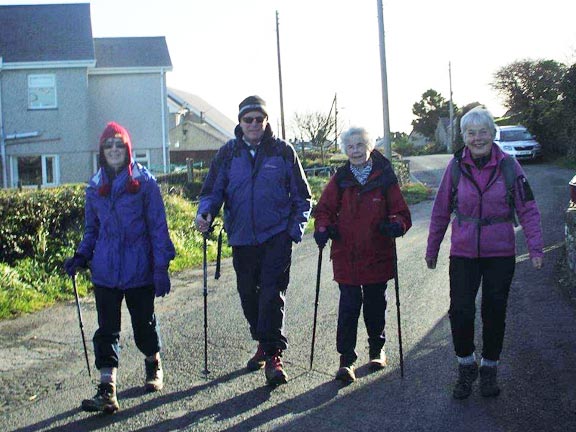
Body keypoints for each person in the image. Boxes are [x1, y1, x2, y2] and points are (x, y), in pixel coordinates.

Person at [426, 107, 543, 399]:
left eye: (483, 132)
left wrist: (535, 247)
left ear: (493, 133)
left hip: (500, 252)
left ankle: (489, 369)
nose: (477, 138)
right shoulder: (455, 167)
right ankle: (466, 366)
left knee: (494, 312)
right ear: (463, 136)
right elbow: (440, 211)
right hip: (464, 252)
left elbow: (527, 208)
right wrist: (432, 248)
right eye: (471, 133)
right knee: (460, 311)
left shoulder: (509, 166)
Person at [195, 96, 312, 386]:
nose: (254, 124)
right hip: (242, 237)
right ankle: (262, 340)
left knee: (272, 294)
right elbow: (212, 191)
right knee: (248, 294)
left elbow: (303, 196)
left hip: (276, 236)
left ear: (266, 121)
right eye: (249, 119)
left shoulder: (283, 152)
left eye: (259, 119)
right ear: (240, 122)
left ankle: (273, 356)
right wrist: (206, 214)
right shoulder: (227, 154)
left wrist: (293, 231)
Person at [64, 121, 176, 413]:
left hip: (139, 270)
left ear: (127, 149)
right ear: (102, 151)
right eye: (108, 144)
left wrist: (160, 267)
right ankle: (107, 389)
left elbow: (158, 229)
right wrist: (80, 255)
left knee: (143, 325)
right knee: (107, 330)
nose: (113, 149)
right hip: (105, 271)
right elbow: (92, 229)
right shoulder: (94, 185)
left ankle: (153, 362)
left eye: (118, 144)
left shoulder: (145, 184)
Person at [313, 126, 412, 383]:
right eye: (350, 147)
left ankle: (377, 350)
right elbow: (323, 209)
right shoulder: (341, 179)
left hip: (377, 254)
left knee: (375, 305)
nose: (355, 151)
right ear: (346, 150)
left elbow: (401, 213)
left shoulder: (385, 177)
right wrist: (323, 228)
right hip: (346, 254)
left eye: (360, 145)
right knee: (348, 307)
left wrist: (395, 225)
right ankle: (346, 361)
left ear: (369, 147)